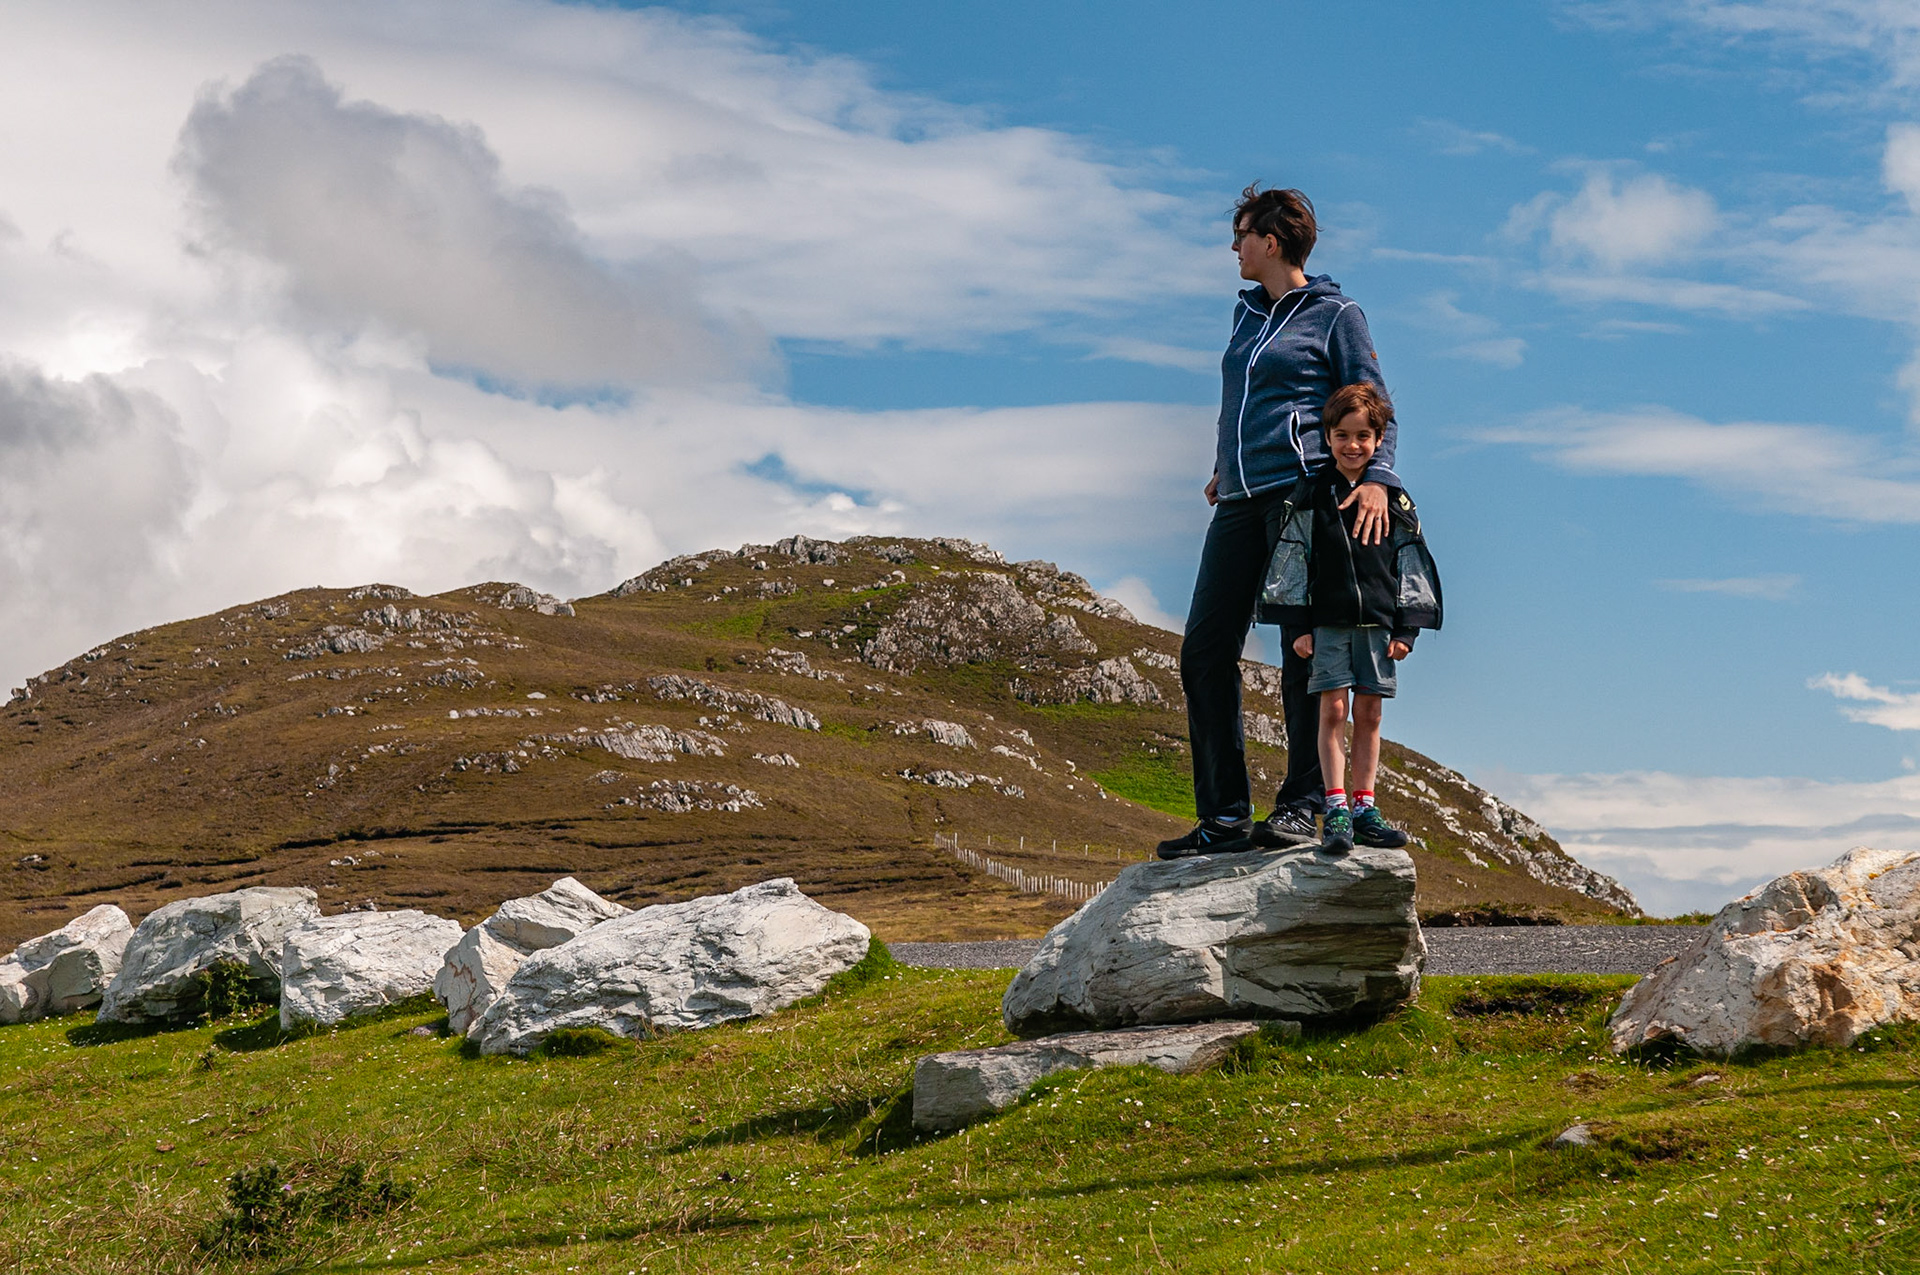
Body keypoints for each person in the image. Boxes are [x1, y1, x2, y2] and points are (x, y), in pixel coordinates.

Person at [1158, 185, 1402, 860]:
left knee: (1302, 650)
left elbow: (1376, 406)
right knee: (1205, 650)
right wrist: (1225, 462)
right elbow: (1242, 399)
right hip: (1240, 499)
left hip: (1302, 495)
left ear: (1271, 241)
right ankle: (1222, 818)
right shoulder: (1244, 316)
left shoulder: (1336, 314)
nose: (1233, 248)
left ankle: (1300, 806)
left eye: (1240, 236)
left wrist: (1377, 478)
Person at [1257, 382, 1442, 852]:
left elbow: (1410, 561)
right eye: (1341, 435)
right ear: (1327, 437)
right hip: (1327, 626)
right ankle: (1335, 806)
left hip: (1379, 628)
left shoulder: (1394, 499)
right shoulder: (1311, 494)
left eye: (1363, 436)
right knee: (1333, 710)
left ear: (1379, 440)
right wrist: (1296, 627)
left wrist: (1408, 630)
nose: (1352, 445)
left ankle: (1365, 809)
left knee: (1370, 713)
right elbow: (1292, 560)